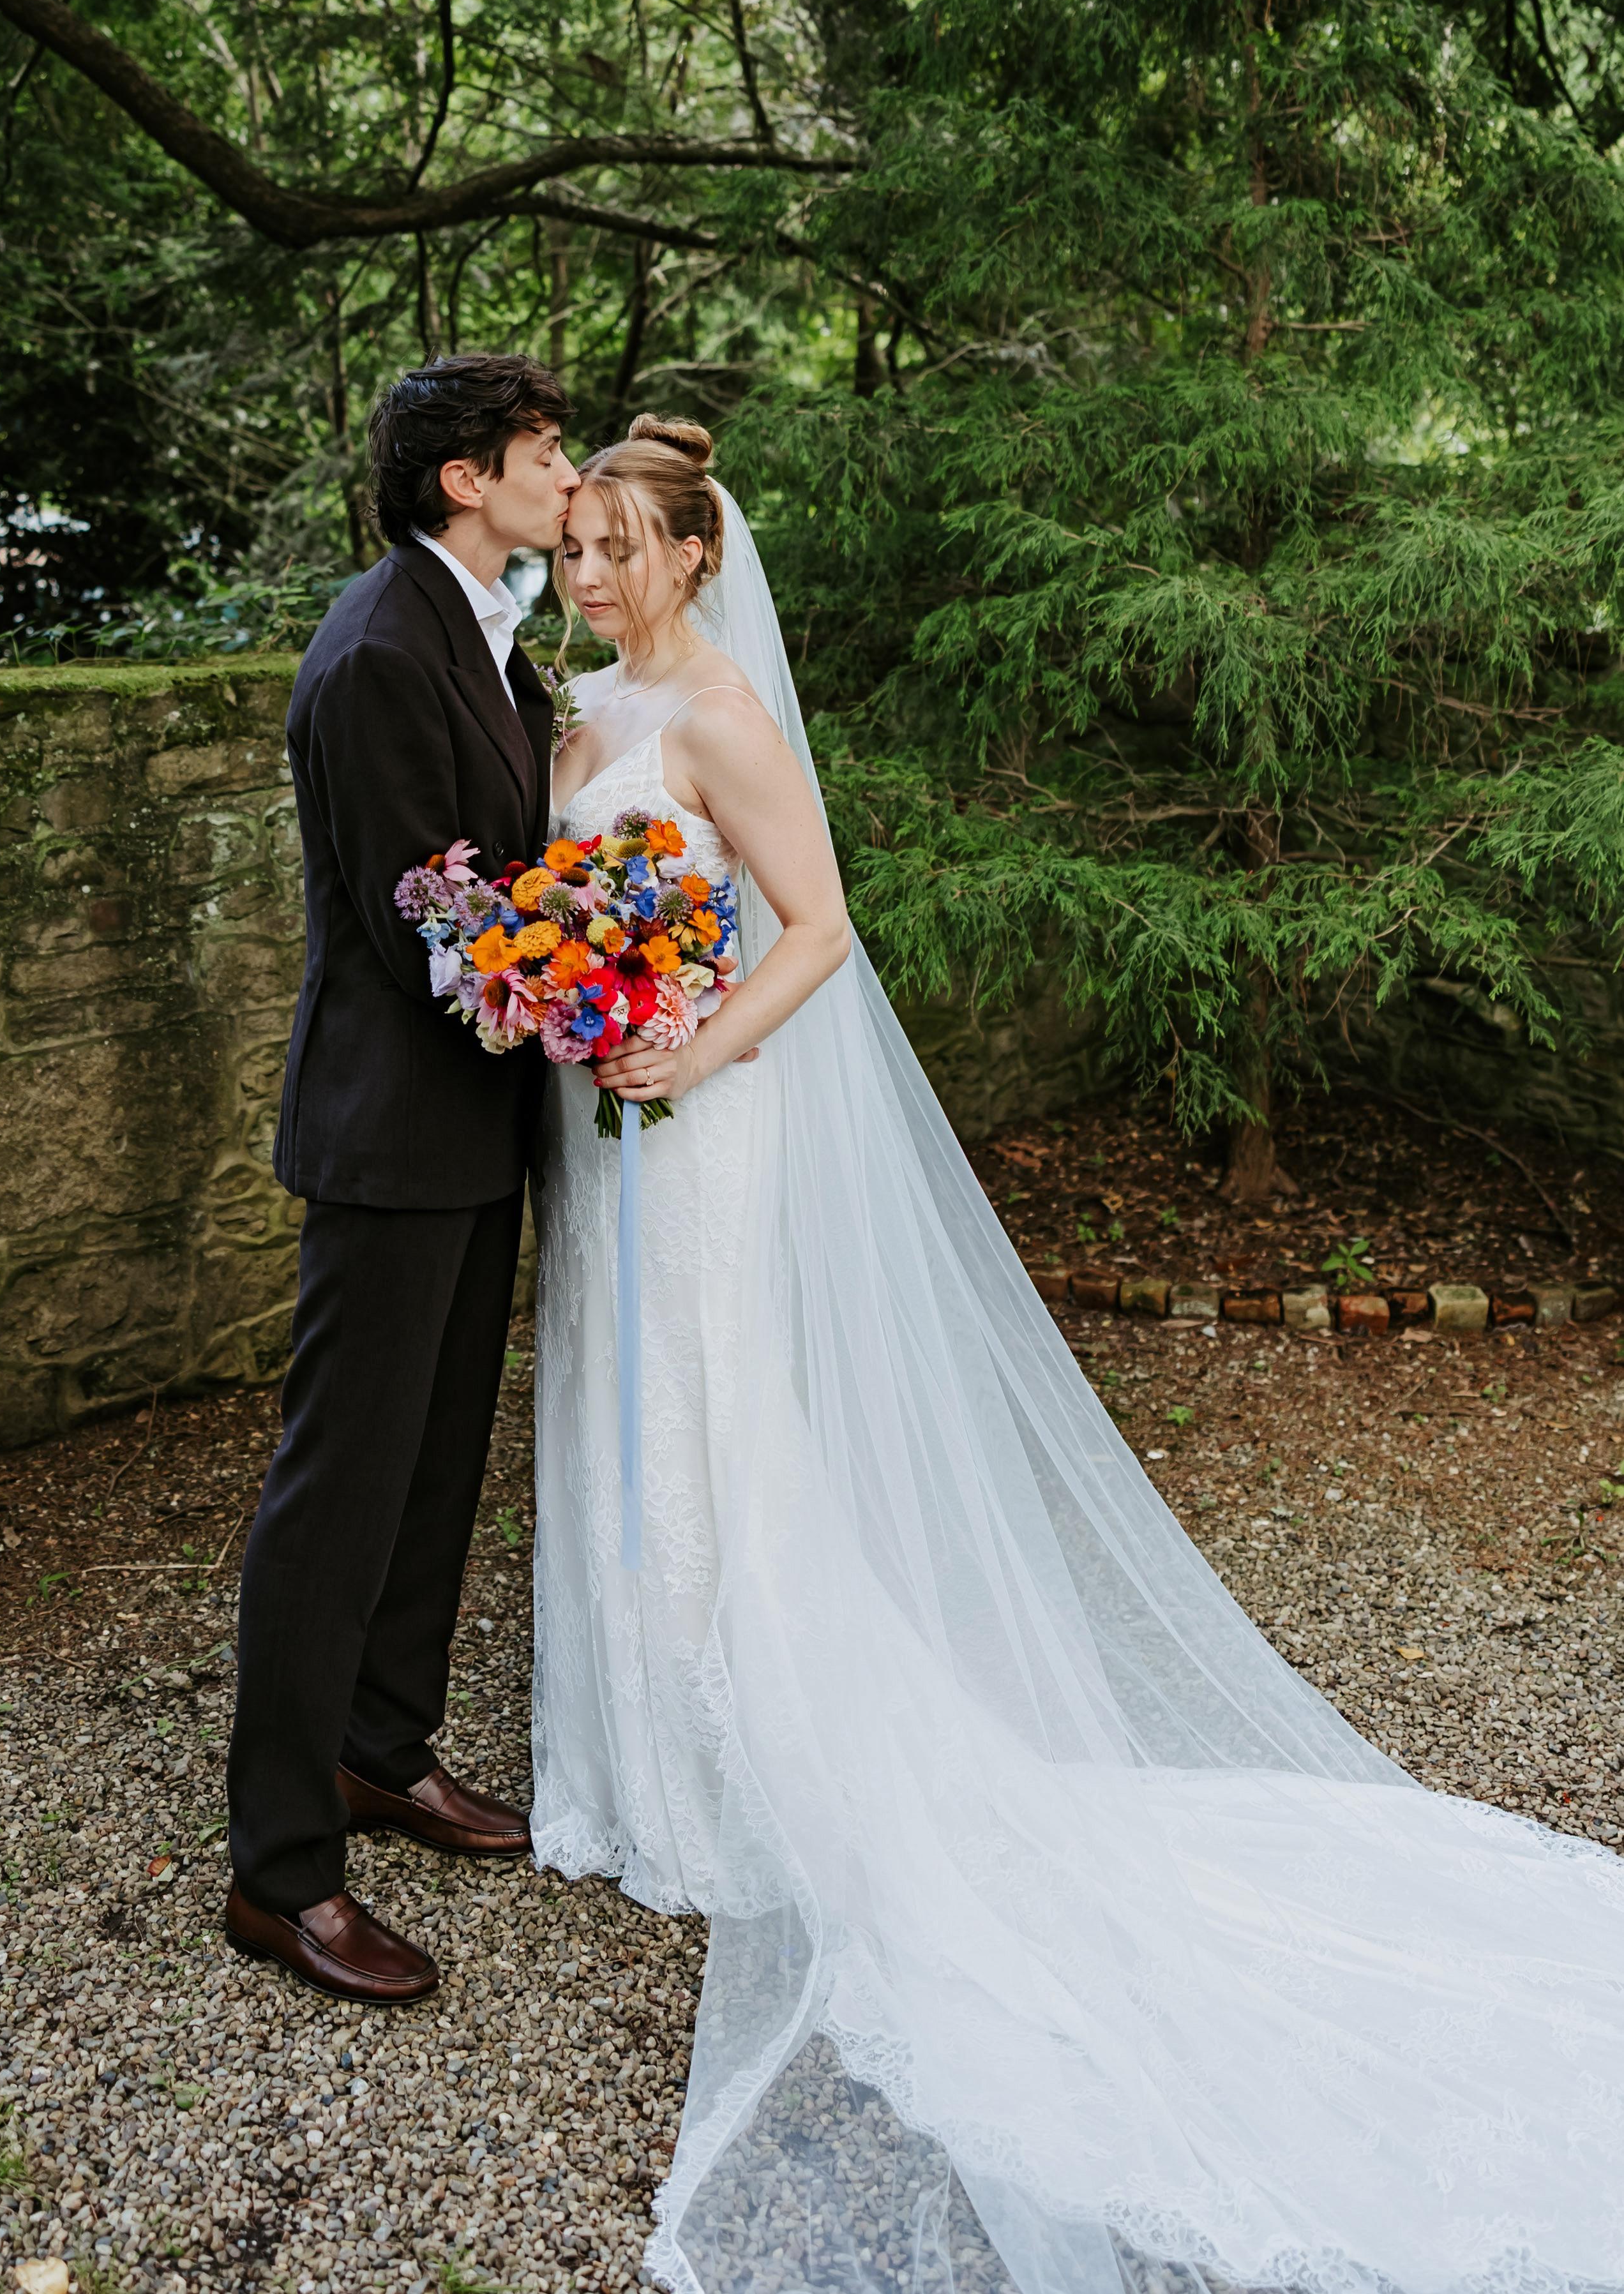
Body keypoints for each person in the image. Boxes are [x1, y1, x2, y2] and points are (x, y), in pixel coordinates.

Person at [535, 416, 1624, 2294]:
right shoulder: (579, 712)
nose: (595, 574)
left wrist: (688, 1050)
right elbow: (575, 905)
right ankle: (634, 1757)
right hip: (598, 1115)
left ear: (697, 556)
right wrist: (559, 992)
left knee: (709, 1415)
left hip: (700, 1118)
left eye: (625, 546)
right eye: (578, 547)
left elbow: (818, 929)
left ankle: (738, 1772)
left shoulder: (717, 716)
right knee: (608, 1409)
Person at [225, 353, 576, 2005]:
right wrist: (586, 977)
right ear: (462, 478)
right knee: (340, 1488)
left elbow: (506, 865)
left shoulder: (488, 635)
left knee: (438, 1463)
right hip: (387, 1134)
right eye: (542, 449)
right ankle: (282, 1869)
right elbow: (422, 913)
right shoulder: (379, 650)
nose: (565, 473)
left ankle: (381, 1745)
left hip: (477, 1127)